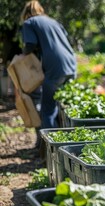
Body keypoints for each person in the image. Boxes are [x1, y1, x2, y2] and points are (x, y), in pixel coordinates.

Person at [20, 0, 77, 129]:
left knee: (48, 111)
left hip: (55, 68)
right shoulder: (53, 21)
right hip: (71, 64)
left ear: (26, 13)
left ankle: (52, 146)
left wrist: (22, 55)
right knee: (66, 106)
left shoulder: (29, 22)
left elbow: (30, 44)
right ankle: (69, 138)